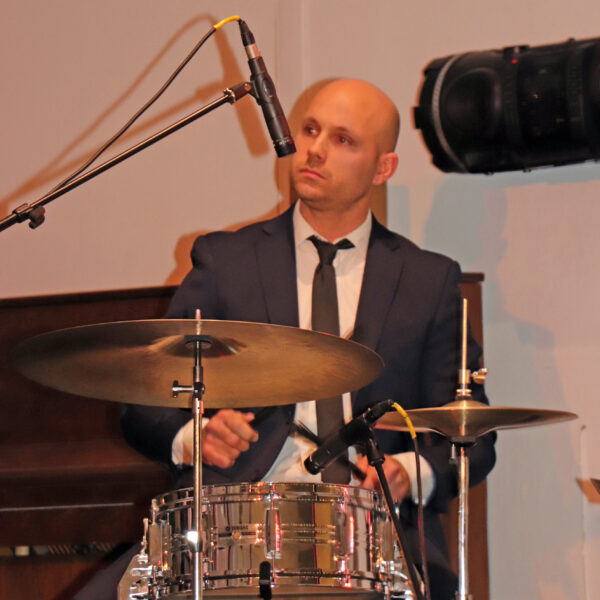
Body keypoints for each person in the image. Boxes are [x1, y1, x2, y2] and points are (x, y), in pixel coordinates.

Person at [81, 79, 496, 600]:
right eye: (310, 130)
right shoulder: (226, 261)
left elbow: (473, 436)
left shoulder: (427, 281)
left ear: (383, 168)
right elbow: (143, 402)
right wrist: (196, 436)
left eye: (343, 140)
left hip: (374, 532)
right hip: (230, 526)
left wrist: (408, 473)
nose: (314, 150)